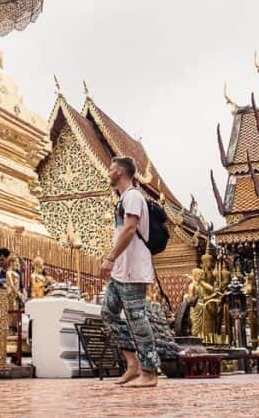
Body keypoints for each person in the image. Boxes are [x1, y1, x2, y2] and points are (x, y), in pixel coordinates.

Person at [98, 156, 159, 388]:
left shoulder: (133, 196)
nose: (108, 171)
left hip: (132, 269)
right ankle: (132, 364)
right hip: (120, 271)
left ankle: (150, 371)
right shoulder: (122, 199)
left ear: (121, 172)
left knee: (137, 319)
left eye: (111, 168)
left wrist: (110, 257)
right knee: (108, 313)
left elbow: (131, 228)